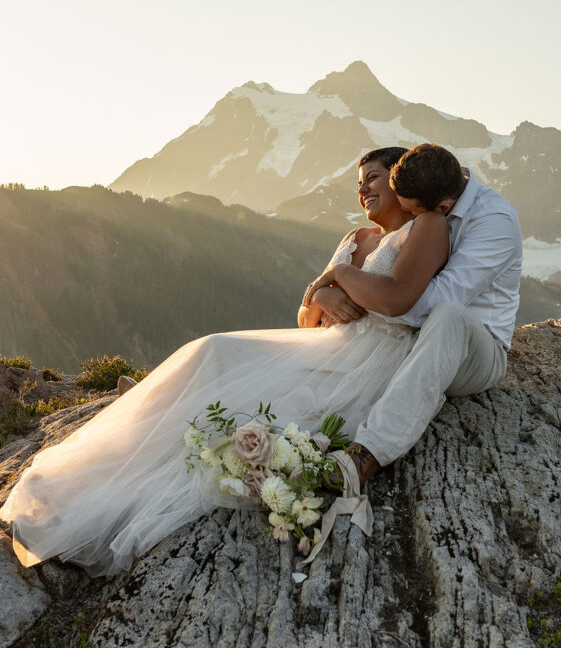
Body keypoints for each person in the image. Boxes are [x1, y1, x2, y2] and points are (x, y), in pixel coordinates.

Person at [0, 147, 449, 577]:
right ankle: (117, 451)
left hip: (368, 356)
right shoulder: (356, 238)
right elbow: (306, 317)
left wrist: (336, 277)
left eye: (372, 178)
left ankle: (104, 503)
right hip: (326, 341)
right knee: (211, 350)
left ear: (398, 180)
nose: (363, 190)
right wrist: (325, 292)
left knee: (227, 401)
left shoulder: (422, 228)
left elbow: (394, 299)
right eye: (358, 183)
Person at [304, 143, 522, 484]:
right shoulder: (431, 182)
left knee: (449, 315)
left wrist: (350, 284)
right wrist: (329, 296)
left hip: (477, 350)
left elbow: (428, 301)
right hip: (412, 341)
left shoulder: (493, 221)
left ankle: (367, 455)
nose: (410, 220)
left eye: (414, 213)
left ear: (443, 207)